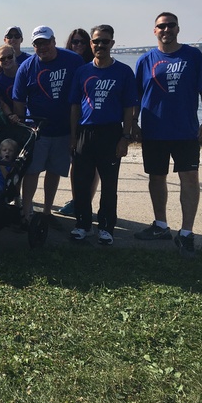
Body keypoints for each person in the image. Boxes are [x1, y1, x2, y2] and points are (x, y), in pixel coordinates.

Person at [132, 12, 202, 257]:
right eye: (161, 26)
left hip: (185, 130)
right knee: (156, 178)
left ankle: (186, 233)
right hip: (154, 130)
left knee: (189, 178)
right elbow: (135, 97)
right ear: (154, 31)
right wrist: (132, 123)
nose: (166, 30)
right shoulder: (145, 60)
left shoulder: (193, 56)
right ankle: (160, 225)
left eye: (170, 25)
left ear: (178, 29)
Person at [68, 25, 137, 246]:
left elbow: (129, 108)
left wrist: (125, 137)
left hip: (111, 132)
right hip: (85, 132)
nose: (100, 45)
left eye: (105, 42)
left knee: (109, 184)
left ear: (112, 44)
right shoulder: (83, 71)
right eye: (96, 41)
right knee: (81, 182)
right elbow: (74, 106)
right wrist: (73, 136)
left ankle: (106, 227)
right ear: (91, 44)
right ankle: (83, 225)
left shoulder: (124, 72)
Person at [12, 26, 84, 226]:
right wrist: (23, 129)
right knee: (32, 171)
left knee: (54, 171)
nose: (42, 47)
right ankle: (26, 213)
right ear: (33, 46)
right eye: (37, 44)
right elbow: (18, 100)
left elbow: (81, 93)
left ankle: (46, 212)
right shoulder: (26, 67)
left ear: (54, 41)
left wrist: (75, 132)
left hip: (64, 130)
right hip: (37, 132)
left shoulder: (73, 61)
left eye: (45, 42)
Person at [58, 28, 96, 216]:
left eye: (82, 42)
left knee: (91, 165)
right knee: (76, 163)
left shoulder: (94, 64)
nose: (78, 45)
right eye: (75, 42)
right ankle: (77, 199)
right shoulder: (67, 64)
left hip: (90, 121)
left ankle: (85, 202)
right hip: (70, 119)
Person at [0, 44, 21, 121]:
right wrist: (10, 115)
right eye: (2, 59)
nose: (6, 60)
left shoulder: (25, 71)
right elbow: (1, 103)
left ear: (14, 56)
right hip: (13, 119)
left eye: (9, 57)